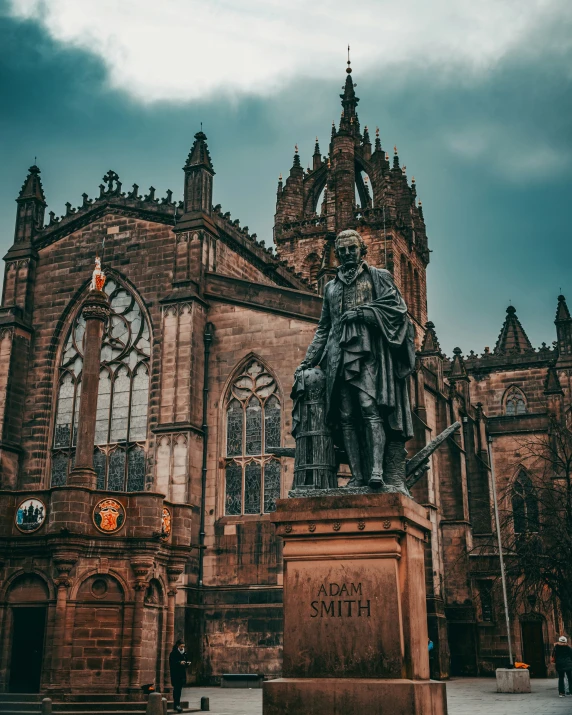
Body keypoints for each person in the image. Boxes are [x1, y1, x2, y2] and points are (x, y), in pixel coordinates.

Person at [295, 229, 415, 494]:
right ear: (337, 254)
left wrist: (364, 313)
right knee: (346, 416)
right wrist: (308, 361)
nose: (348, 254)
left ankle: (377, 472)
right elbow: (324, 329)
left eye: (352, 248)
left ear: (362, 250)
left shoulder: (378, 277)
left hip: (369, 355)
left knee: (369, 409)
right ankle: (358, 477)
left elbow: (398, 310)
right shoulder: (331, 288)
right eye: (343, 250)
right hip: (338, 358)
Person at [169, 639, 189, 712]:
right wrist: (179, 663)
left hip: (182, 675)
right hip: (176, 674)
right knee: (176, 690)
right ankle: (176, 705)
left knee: (179, 690)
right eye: (181, 646)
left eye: (183, 646)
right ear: (178, 645)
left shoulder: (184, 653)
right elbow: (172, 664)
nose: (182, 648)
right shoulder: (173, 653)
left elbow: (187, 660)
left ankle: (177, 704)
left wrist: (187, 663)